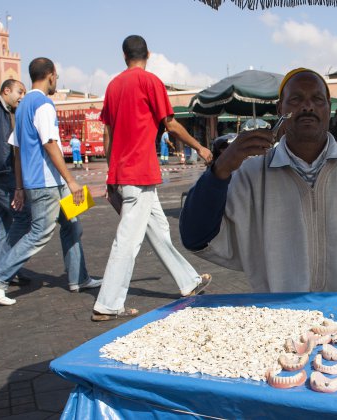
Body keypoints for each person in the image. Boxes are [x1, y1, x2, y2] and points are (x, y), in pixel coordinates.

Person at [180, 68, 337, 294]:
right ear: (279, 109)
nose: (308, 106)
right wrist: (220, 170)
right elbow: (196, 238)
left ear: (329, 108)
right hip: (281, 322)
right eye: (295, 99)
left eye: (318, 99)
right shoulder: (251, 175)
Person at [91, 35, 213, 321]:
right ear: (148, 53)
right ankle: (107, 304)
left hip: (125, 173)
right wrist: (199, 147)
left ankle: (188, 281)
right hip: (140, 173)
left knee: (158, 230)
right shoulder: (150, 82)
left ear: (124, 56)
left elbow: (107, 133)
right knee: (128, 241)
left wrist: (112, 176)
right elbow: (169, 124)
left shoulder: (113, 86)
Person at [0, 58, 101, 306]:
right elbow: (50, 144)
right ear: (51, 75)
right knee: (39, 233)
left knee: (73, 223)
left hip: (46, 182)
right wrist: (72, 181)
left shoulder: (23, 105)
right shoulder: (44, 104)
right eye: (56, 77)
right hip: (48, 183)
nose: (56, 81)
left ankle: (78, 278)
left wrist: (19, 186)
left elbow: (17, 152)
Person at [0, 79, 32, 280]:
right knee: (23, 217)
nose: (22, 97)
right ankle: (4, 269)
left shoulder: (7, 111)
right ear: (6, 91)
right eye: (19, 92)